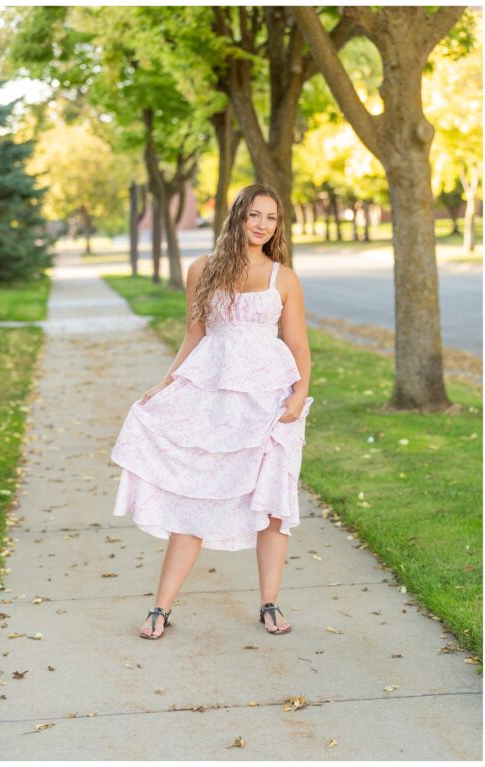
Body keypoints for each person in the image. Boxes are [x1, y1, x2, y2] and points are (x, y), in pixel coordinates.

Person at [111, 183, 314, 640]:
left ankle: (269, 602)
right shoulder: (202, 269)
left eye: (272, 218)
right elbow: (194, 334)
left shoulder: (284, 278)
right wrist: (167, 382)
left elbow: (298, 345)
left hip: (269, 400)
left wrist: (298, 395)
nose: (262, 225)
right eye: (254, 215)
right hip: (213, 396)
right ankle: (161, 608)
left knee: (273, 505)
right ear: (237, 216)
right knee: (195, 497)